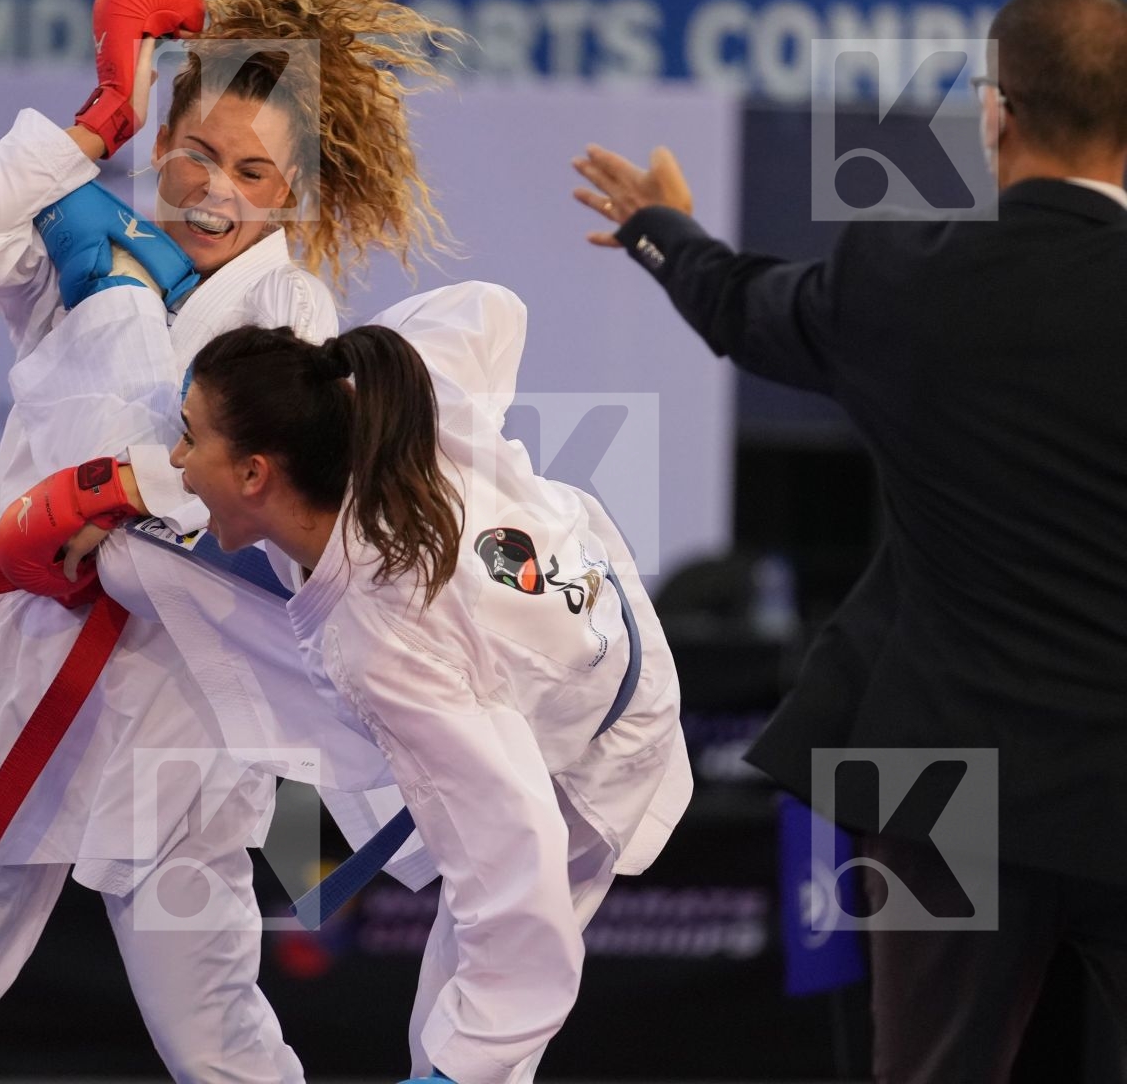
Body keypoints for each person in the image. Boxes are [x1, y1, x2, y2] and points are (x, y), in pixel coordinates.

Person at [0, 0, 455, 1083]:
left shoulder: (294, 323)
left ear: (292, 192)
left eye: (254, 172)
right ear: (160, 143)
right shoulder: (90, 241)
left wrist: (109, 372)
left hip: (177, 717)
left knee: (218, 1044)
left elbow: (216, 480)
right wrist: (96, 116)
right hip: (19, 670)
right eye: (195, 152)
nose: (214, 189)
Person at [570, 0, 1127, 1081]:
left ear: (996, 111)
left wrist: (657, 229)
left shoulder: (901, 277)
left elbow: (739, 303)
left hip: (937, 783)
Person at [50, 281, 689, 1082]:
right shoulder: (393, 403)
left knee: (463, 1029)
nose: (173, 461)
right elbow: (493, 309)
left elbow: (515, 861)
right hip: (575, 617)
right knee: (186, 575)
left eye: (187, 440)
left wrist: (454, 1072)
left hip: (591, 751)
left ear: (253, 472)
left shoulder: (386, 642)